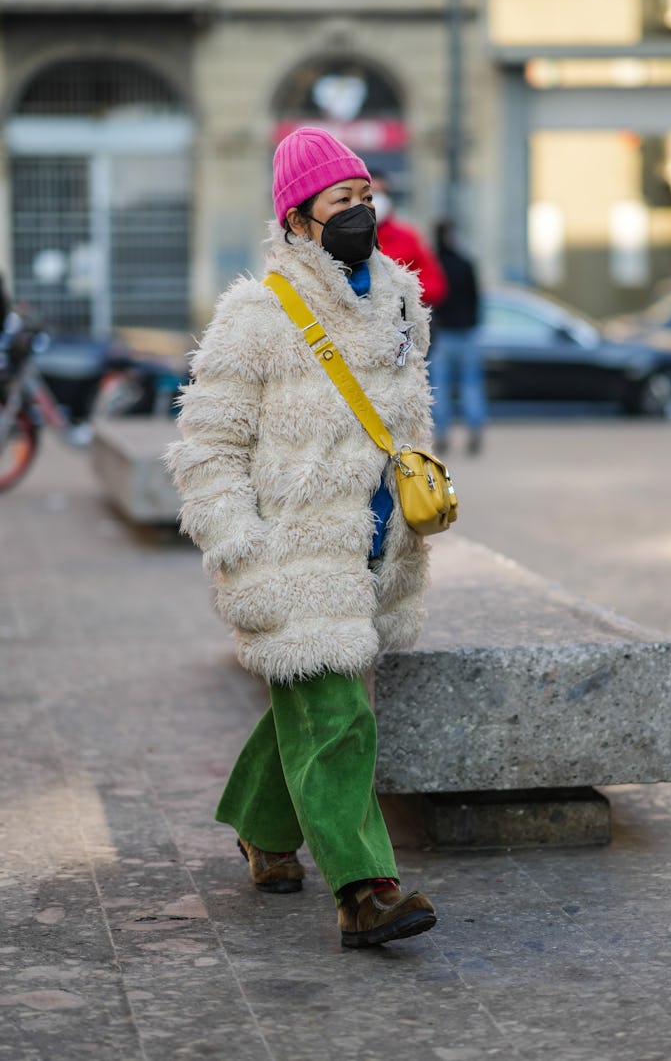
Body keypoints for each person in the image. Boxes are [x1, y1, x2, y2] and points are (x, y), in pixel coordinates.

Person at [166, 127, 437, 949]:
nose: (360, 212)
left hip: (374, 543)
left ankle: (260, 823)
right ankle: (366, 891)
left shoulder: (396, 296)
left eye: (365, 197)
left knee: (309, 695)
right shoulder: (259, 312)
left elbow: (403, 414)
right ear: (298, 218)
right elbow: (207, 444)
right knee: (338, 714)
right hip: (289, 548)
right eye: (340, 202)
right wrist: (236, 543)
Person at [429, 219, 487, 456]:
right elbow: (476, 298)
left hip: (442, 334)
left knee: (440, 387)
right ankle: (474, 429)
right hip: (467, 332)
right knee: (471, 385)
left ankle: (442, 434)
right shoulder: (466, 263)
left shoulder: (435, 264)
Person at [369, 172, 448, 309]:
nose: (376, 200)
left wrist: (396, 287)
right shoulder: (338, 237)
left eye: (382, 193)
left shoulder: (406, 237)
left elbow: (436, 286)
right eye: (370, 195)